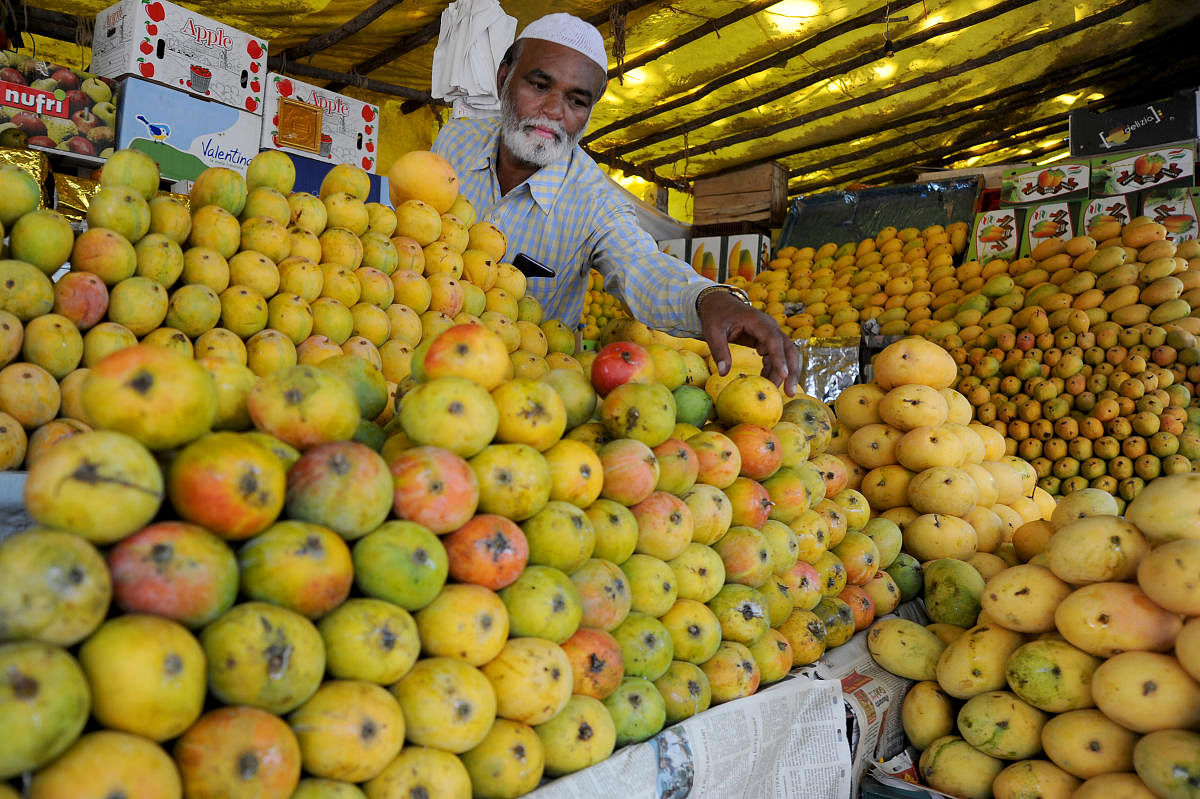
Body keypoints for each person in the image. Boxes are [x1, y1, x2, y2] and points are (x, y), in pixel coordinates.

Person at [432, 13, 800, 394]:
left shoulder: (595, 202)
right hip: (423, 355)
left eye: (577, 100)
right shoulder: (455, 142)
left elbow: (643, 268)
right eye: (539, 85)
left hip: (523, 397)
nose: (555, 111)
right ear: (503, 77)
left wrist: (710, 299)